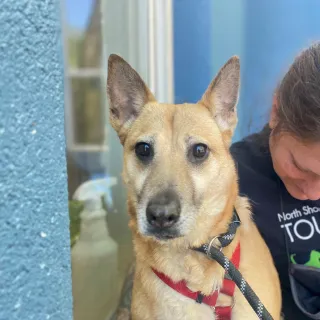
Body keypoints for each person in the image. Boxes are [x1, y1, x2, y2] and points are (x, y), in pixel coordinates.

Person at [111, 43, 320, 320]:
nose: (314, 192)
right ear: (276, 111)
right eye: (144, 151)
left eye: (197, 152)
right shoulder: (237, 172)